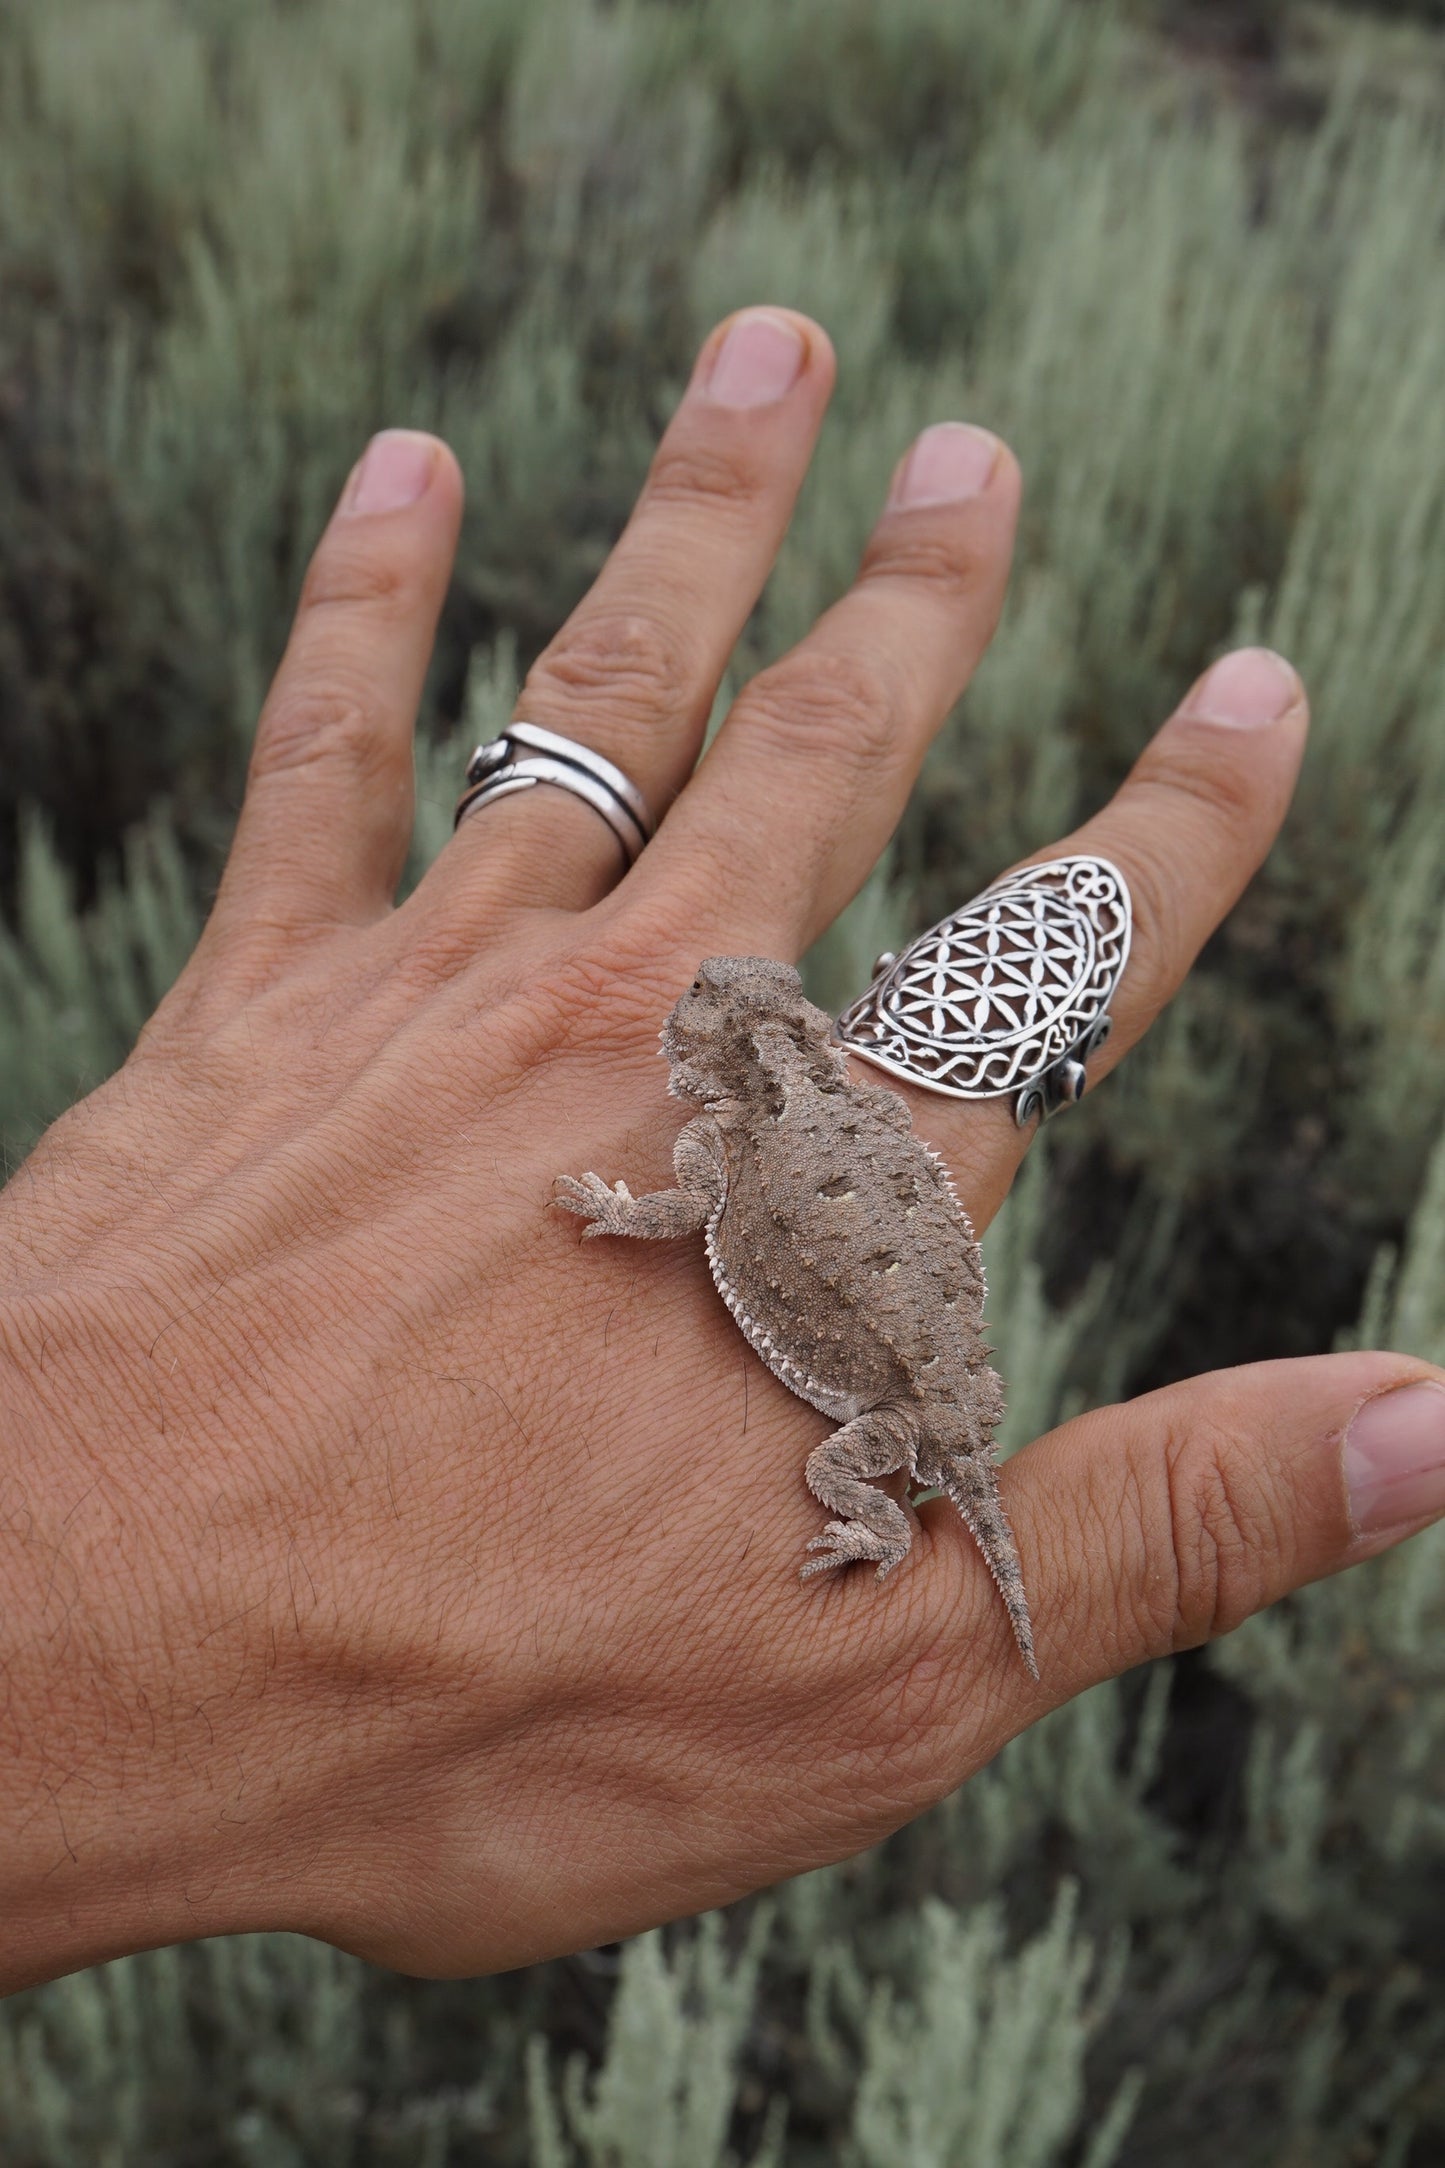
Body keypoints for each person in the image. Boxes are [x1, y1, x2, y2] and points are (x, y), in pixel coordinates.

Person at [1, 308, 1440, 1998]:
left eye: (724, 1022)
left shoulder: (755, 1151)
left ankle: (876, 1531)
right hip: (931, 1368)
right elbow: (746, 1192)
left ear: (763, 1055)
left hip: (898, 1407)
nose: (700, 1026)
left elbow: (692, 1211)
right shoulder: (798, 1103)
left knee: (858, 1475)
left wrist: (640, 1238)